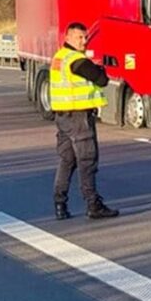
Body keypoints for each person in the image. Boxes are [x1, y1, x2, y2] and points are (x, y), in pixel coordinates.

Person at [50, 23, 120, 220]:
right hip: (79, 116)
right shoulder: (77, 60)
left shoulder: (59, 56)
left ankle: (59, 204)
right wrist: (100, 67)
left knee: (67, 160)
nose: (84, 41)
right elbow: (101, 79)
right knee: (87, 161)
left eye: (85, 37)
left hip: (62, 116)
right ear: (68, 37)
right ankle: (93, 204)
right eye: (80, 37)